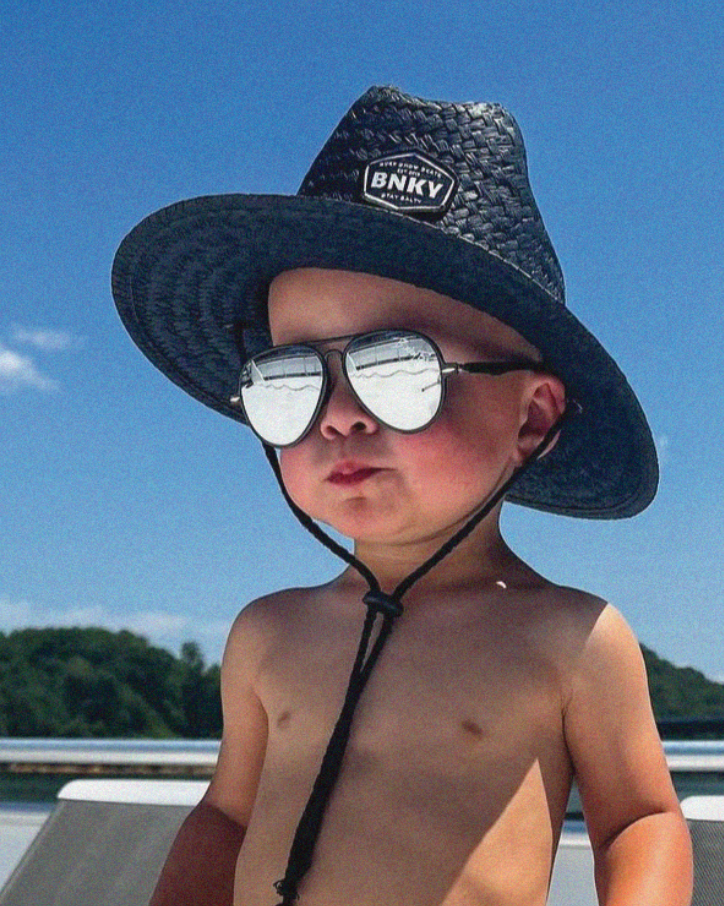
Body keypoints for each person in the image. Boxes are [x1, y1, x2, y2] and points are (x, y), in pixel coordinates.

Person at [112, 86, 693, 906]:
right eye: (292, 377)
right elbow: (226, 819)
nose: (339, 415)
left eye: (396, 369)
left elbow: (639, 820)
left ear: (531, 417)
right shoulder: (266, 633)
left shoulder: (571, 637)